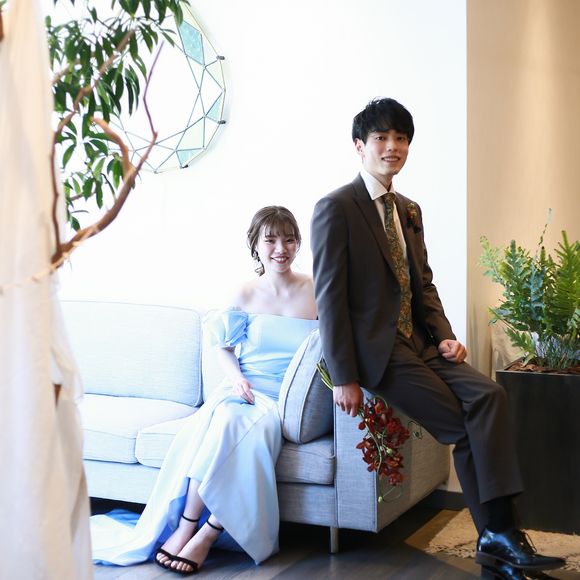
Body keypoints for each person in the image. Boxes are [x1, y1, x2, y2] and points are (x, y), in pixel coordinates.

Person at [310, 97, 565, 580]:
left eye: (401, 138)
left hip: (423, 344)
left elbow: (422, 284)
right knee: (465, 425)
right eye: (381, 138)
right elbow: (330, 298)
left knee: (489, 396)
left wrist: (446, 337)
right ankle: (502, 535)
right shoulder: (336, 208)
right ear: (359, 146)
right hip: (381, 354)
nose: (392, 147)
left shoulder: (408, 210)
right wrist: (344, 377)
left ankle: (496, 540)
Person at [91, 206, 317, 575]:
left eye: (289, 240)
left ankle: (207, 532)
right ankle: (188, 525)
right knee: (225, 421)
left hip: (285, 398)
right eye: (271, 240)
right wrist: (237, 379)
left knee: (241, 430)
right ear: (255, 246)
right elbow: (223, 347)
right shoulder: (245, 293)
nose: (281, 249)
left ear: (298, 244)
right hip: (243, 389)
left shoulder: (316, 290)